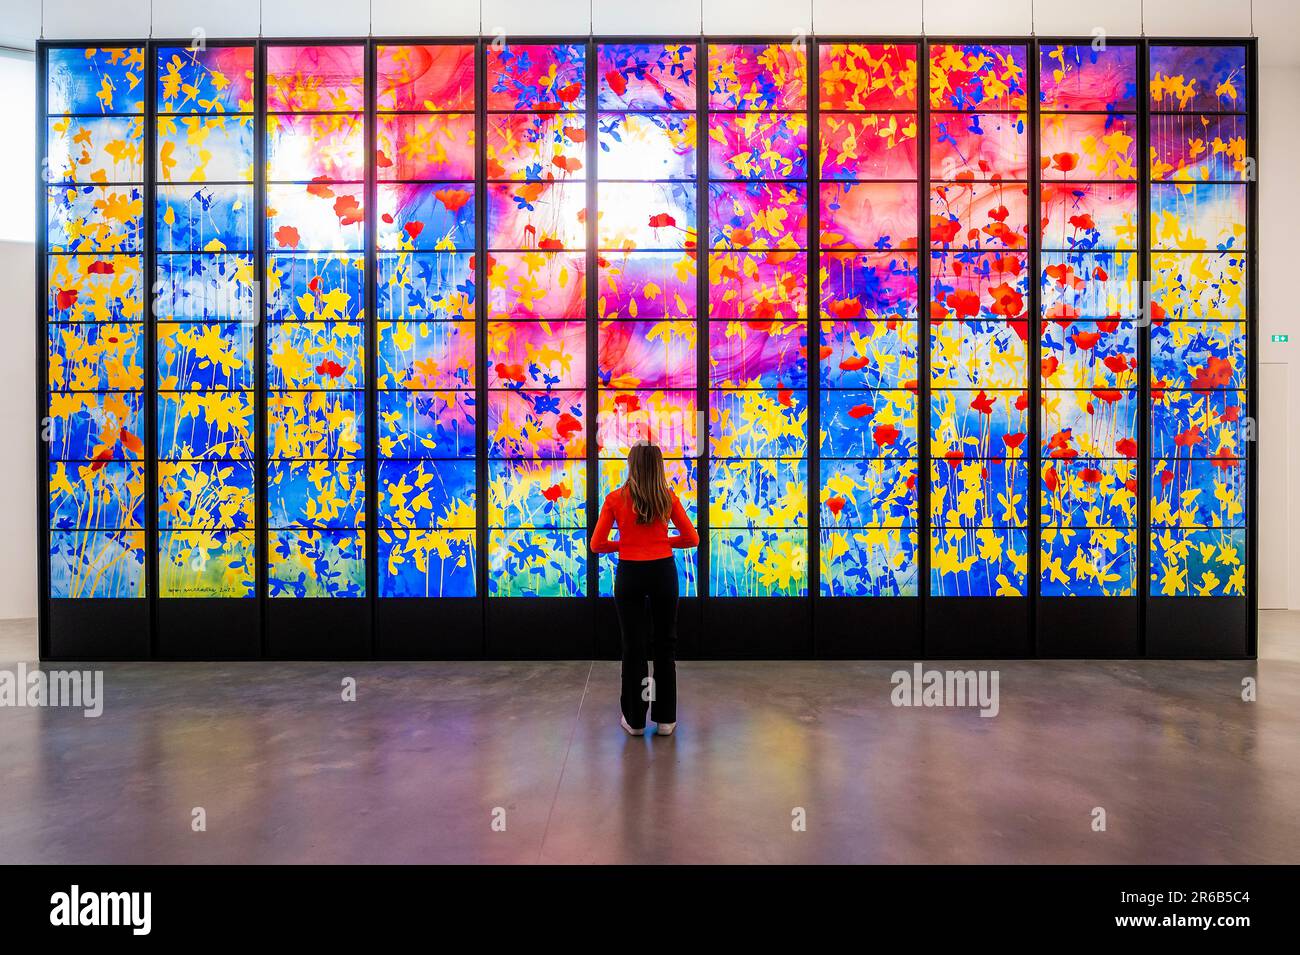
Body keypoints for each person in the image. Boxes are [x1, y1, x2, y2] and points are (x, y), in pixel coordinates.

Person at [589, 442, 698, 737]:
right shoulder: (668, 498)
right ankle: (666, 720)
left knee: (633, 647)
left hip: (630, 575)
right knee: (665, 645)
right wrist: (663, 542)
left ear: (631, 465)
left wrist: (624, 544)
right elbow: (692, 539)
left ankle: (635, 720)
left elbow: (597, 545)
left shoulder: (615, 499)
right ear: (658, 466)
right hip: (663, 572)